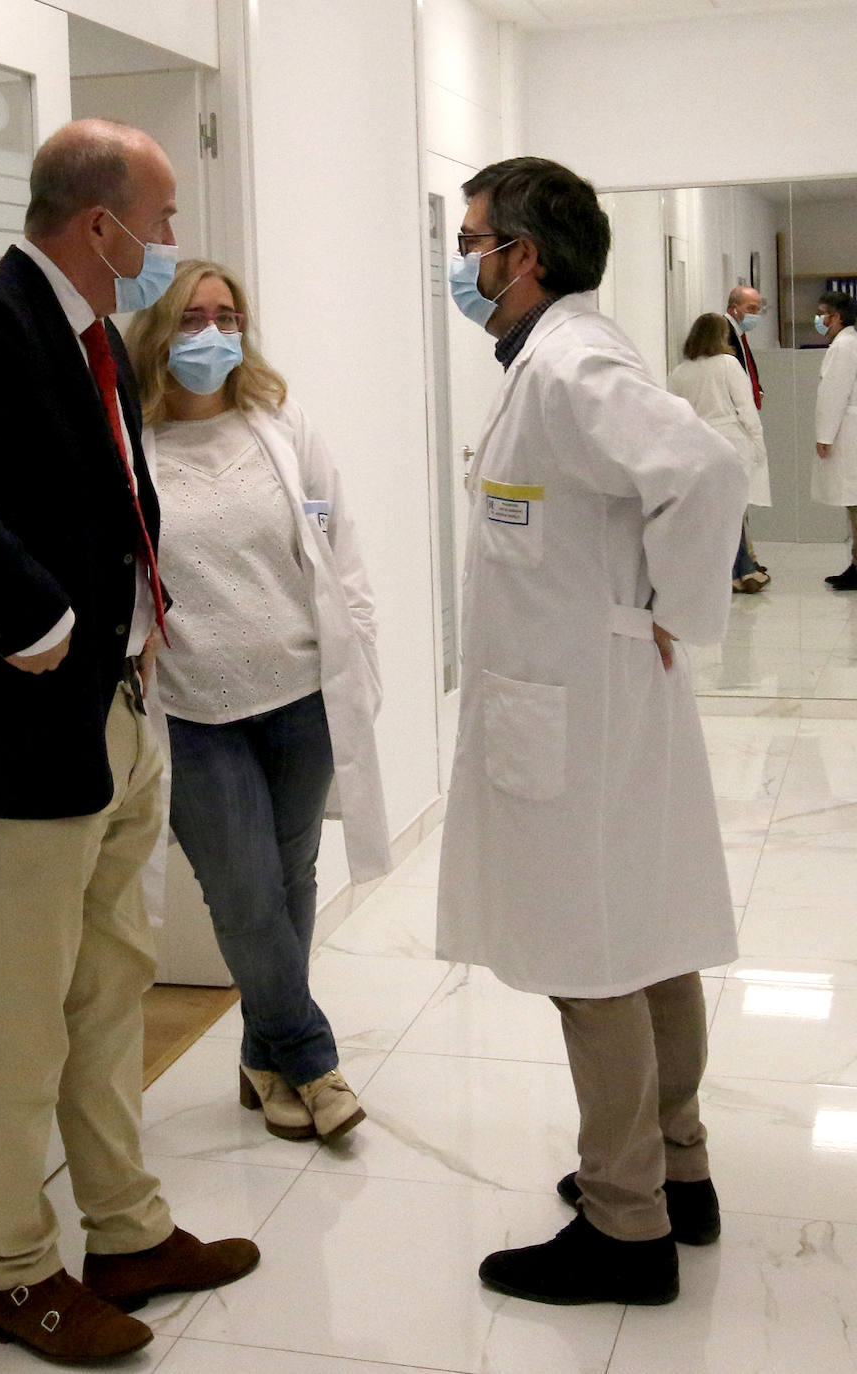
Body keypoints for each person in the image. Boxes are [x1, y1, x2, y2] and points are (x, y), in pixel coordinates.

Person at [0, 120, 258, 1366]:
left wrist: (131, 638)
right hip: (23, 728)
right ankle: (13, 1269)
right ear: (101, 227)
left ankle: (126, 1228)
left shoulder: (90, 337)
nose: (170, 244)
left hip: (116, 712)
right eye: (162, 218)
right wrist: (32, 613)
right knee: (25, 1011)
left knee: (110, 989)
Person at [438, 157, 748, 1307]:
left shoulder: (569, 360)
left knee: (588, 962)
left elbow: (703, 470)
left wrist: (674, 610)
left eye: (471, 240)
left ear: (522, 256)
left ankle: (626, 1229)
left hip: (578, 704)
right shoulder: (556, 359)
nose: (460, 262)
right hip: (588, 700)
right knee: (645, 931)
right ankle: (679, 1170)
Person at [124, 260, 391, 1144]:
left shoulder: (281, 423)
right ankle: (313, 1059)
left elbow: (336, 545)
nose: (212, 334)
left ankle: (262, 1058)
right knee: (242, 894)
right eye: (192, 317)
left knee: (292, 881)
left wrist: (363, 658)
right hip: (194, 709)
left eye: (226, 315)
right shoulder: (128, 443)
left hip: (301, 694)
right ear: (160, 333)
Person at [668, 312, 770, 593]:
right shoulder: (728, 365)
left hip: (697, 444)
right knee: (734, 509)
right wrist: (758, 442)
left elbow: (675, 415)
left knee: (712, 512)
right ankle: (743, 570)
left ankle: (734, 571)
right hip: (731, 442)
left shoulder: (679, 372)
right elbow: (746, 408)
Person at [723, 285, 770, 584]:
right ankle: (742, 567)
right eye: (751, 309)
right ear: (735, 306)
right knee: (735, 503)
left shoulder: (738, 333)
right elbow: (737, 384)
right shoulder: (725, 335)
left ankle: (746, 561)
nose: (754, 315)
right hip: (732, 431)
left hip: (735, 428)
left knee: (740, 502)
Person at [811, 290, 857, 589]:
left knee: (853, 501)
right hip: (848, 428)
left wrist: (824, 436)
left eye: (823, 313)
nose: (819, 319)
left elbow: (834, 393)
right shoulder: (848, 342)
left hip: (847, 432)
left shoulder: (844, 346)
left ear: (836, 317)